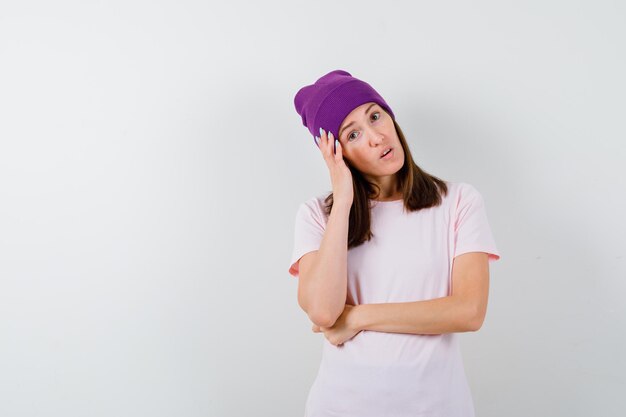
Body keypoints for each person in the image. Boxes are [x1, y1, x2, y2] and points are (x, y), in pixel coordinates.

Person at [289, 69, 501, 417]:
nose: (376, 137)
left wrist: (357, 318)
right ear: (335, 151)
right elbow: (324, 312)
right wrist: (343, 200)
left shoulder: (458, 201)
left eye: (375, 115)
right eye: (353, 133)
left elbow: (469, 311)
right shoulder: (317, 215)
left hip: (437, 407)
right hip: (341, 406)